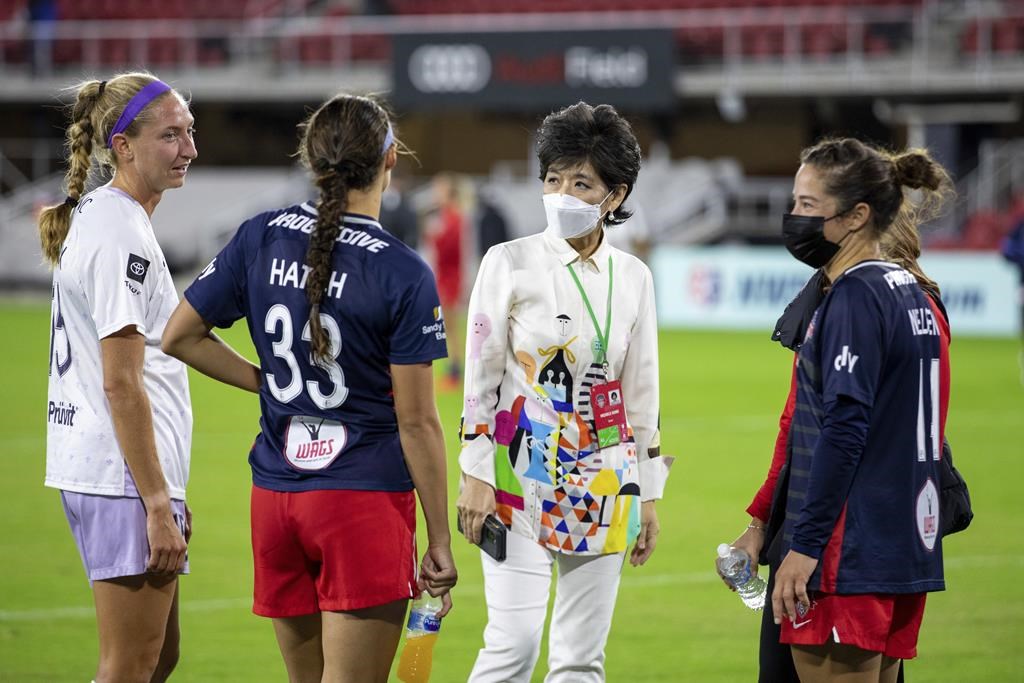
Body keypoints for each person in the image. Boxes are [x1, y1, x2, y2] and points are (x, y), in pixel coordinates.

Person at [161, 93, 457, 683]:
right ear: (390, 158)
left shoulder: (260, 236)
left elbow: (179, 337)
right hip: (360, 501)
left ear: (313, 159)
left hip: (275, 499)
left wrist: (269, 385)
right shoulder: (401, 271)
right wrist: (440, 539)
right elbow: (418, 422)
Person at [456, 101, 673, 683]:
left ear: (615, 196)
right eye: (552, 178)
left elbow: (642, 395)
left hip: (606, 479)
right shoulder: (509, 263)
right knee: (514, 645)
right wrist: (474, 473)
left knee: (580, 660)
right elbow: (480, 381)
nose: (561, 193)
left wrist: (647, 493)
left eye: (581, 182)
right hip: (515, 479)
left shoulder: (635, 278)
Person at [758, 138, 953, 683]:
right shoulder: (912, 292)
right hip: (904, 542)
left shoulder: (854, 296)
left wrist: (805, 546)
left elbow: (843, 431)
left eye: (806, 205)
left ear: (857, 215)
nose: (792, 216)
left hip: (849, 553)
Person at [39, 72, 197, 682]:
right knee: (130, 664)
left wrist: (168, 488)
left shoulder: (111, 218)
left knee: (159, 656)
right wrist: (158, 500)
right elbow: (122, 382)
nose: (188, 148)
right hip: (120, 478)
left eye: (190, 132)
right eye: (170, 135)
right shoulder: (119, 230)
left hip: (117, 472)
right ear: (123, 145)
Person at [428, 172, 467, 390]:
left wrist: (434, 236)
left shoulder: (454, 217)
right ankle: (453, 371)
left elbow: (449, 249)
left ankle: (455, 372)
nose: (435, 194)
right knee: (447, 328)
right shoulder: (446, 215)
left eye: (439, 190)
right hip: (445, 278)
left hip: (450, 280)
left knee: (450, 329)